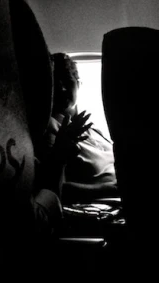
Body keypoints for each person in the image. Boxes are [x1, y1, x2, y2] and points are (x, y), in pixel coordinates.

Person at [45, 53, 118, 202]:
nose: (63, 89)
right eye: (55, 83)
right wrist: (112, 189)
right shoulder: (49, 129)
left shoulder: (93, 129)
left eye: (67, 81)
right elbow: (55, 188)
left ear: (78, 85)